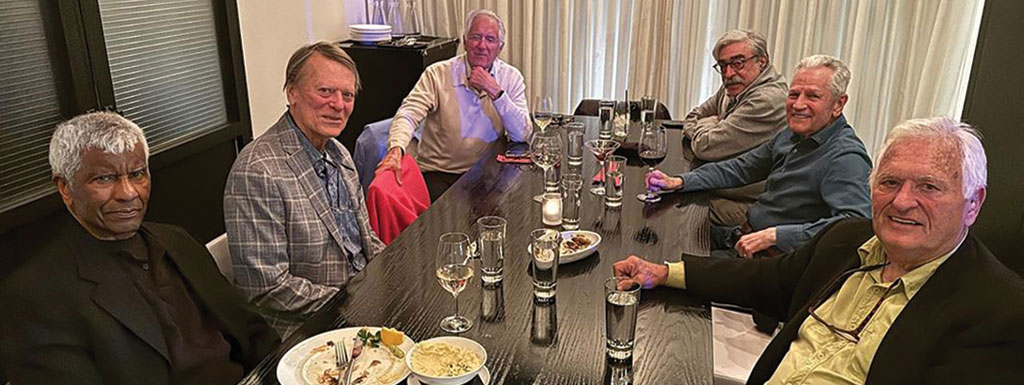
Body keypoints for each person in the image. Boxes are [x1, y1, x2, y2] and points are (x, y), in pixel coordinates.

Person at [615, 116, 1024, 383]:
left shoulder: (1000, 310)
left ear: (973, 202)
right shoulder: (849, 239)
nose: (901, 202)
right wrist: (665, 273)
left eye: (929, 187)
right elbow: (766, 278)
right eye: (889, 182)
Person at [0, 112, 278, 384]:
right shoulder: (34, 295)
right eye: (104, 178)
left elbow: (253, 331)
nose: (128, 193)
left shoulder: (176, 240)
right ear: (65, 188)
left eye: (137, 174)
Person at [224, 42, 385, 338]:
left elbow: (364, 240)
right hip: (306, 330)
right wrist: (351, 302)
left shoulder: (338, 153)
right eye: (325, 91)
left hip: (360, 303)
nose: (338, 104)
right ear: (292, 92)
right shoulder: (258, 170)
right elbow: (266, 286)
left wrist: (393, 273)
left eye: (347, 95)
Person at [648, 54, 871, 258]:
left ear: (838, 104)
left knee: (666, 263)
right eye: (794, 94)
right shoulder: (793, 134)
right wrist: (680, 181)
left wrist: (777, 235)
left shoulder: (845, 156)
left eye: (812, 96)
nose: (798, 104)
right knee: (661, 235)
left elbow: (855, 225)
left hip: (772, 260)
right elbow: (740, 168)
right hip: (742, 236)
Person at [376, 9, 531, 201]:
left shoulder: (511, 77)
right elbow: (408, 113)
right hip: (439, 174)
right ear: (465, 41)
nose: (482, 45)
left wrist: (496, 92)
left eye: (490, 39)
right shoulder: (437, 73)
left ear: (500, 47)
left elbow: (521, 134)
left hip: (486, 174)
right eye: (476, 37)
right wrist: (395, 148)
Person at [681, 30, 789, 226]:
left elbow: (705, 146)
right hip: (721, 182)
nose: (729, 73)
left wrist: (712, 125)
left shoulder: (767, 100)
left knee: (682, 212)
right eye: (723, 65)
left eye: (738, 63)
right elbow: (692, 117)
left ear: (762, 61)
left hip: (749, 202)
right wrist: (710, 125)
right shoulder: (735, 84)